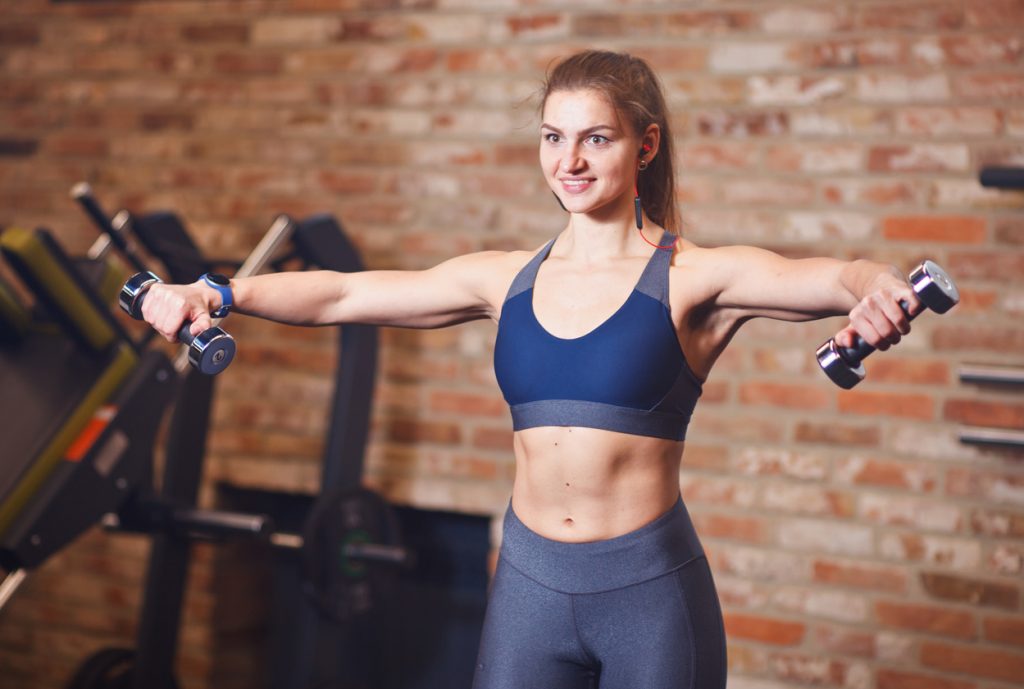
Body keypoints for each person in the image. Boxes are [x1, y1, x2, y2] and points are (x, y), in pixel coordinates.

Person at [140, 50, 920, 689]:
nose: (569, 161)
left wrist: (875, 289)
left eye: (596, 139)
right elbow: (344, 292)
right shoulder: (505, 278)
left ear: (644, 146)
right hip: (528, 591)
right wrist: (217, 289)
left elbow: (831, 273)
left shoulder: (692, 277)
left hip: (648, 597)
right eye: (552, 137)